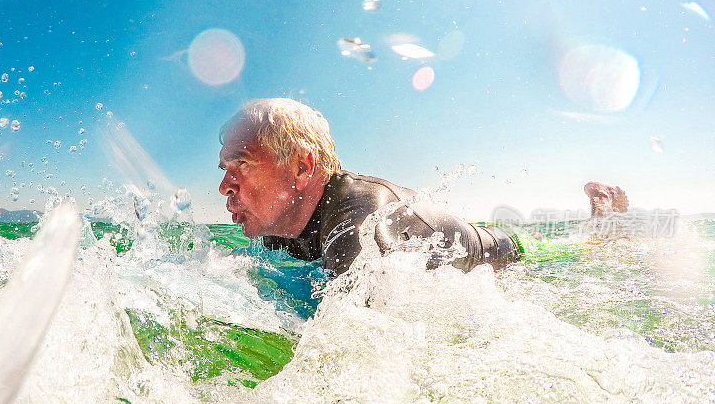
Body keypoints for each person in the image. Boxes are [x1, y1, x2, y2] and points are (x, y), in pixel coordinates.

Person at [218, 98, 628, 276]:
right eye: (224, 169)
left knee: (583, 244)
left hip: (503, 251)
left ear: (302, 167)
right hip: (452, 231)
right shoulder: (277, 229)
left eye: (243, 166)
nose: (224, 186)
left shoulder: (360, 220)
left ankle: (603, 216)